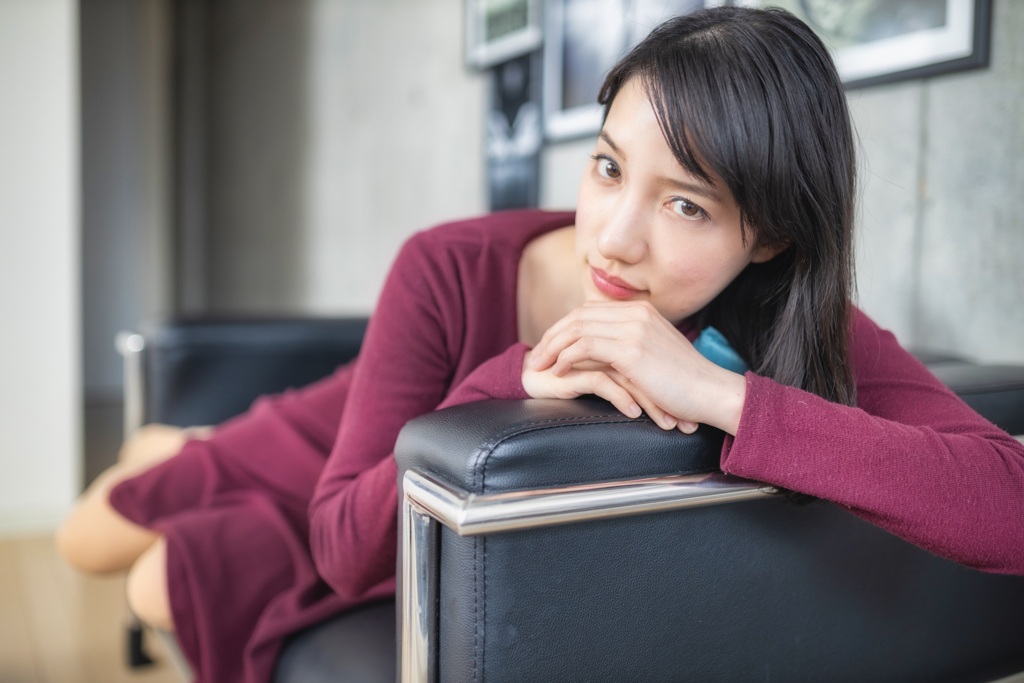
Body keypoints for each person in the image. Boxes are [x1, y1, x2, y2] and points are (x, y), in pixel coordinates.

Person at [56, 6, 1024, 683]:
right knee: (84, 537)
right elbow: (345, 544)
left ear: (766, 235)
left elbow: (1007, 503)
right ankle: (185, 444)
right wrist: (507, 381)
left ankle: (184, 452)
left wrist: (724, 396)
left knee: (154, 581)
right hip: (346, 444)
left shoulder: (790, 315)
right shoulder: (445, 266)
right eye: (608, 166)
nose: (613, 234)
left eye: (684, 202)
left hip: (400, 500)